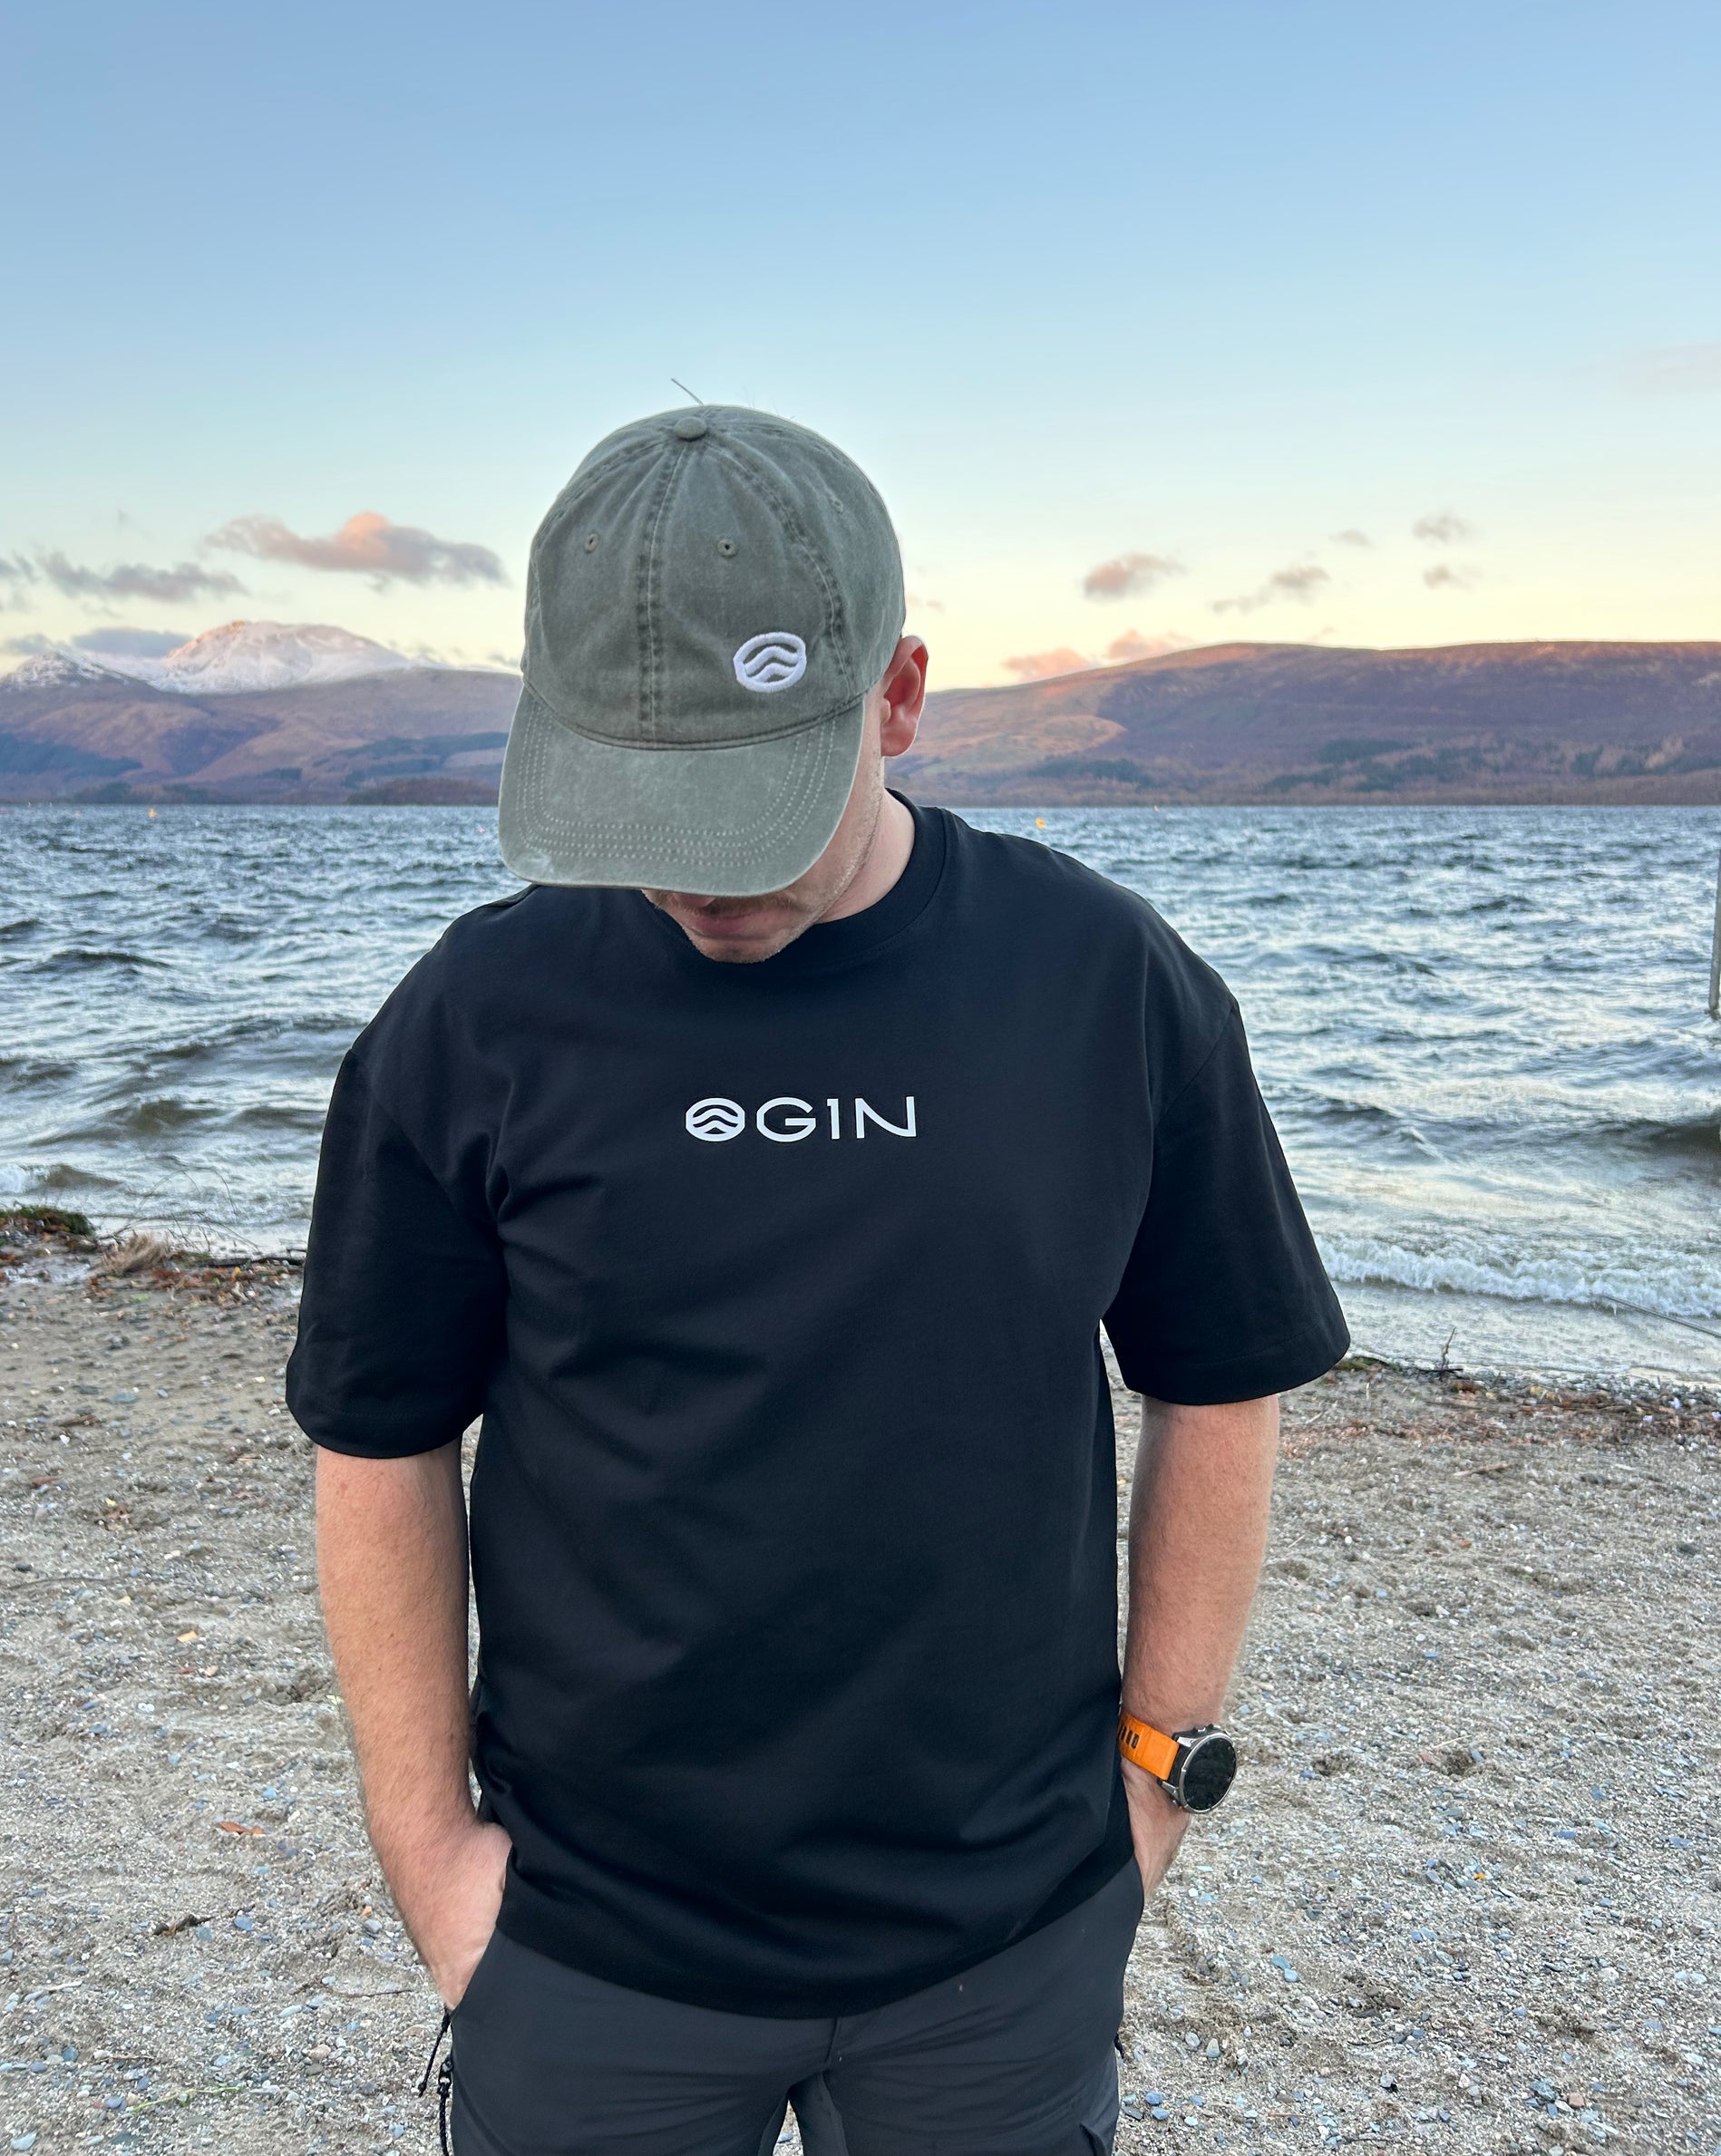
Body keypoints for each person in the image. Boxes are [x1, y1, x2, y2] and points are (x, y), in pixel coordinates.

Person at [286, 405, 1348, 2156]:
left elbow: (1218, 1376)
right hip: (587, 1942)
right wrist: (431, 1860)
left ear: (898, 696)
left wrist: (1157, 1783)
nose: (701, 875)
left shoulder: (1101, 981)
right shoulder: (476, 1017)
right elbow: (376, 1436)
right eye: (647, 803)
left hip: (1006, 1932)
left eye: (753, 807)